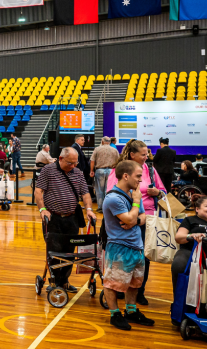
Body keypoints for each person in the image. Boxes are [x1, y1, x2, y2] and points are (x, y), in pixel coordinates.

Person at [107, 139, 166, 305]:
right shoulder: (118, 171)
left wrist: (157, 192)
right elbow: (112, 194)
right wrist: (131, 216)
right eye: (143, 154)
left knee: (143, 258)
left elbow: (163, 191)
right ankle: (120, 289)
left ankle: (140, 291)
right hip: (124, 220)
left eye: (147, 154)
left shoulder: (150, 169)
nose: (146, 157)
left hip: (146, 219)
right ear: (132, 155)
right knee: (124, 257)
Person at [101, 160, 155, 331]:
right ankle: (114, 314)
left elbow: (142, 217)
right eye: (138, 176)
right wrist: (136, 205)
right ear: (125, 176)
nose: (140, 180)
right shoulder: (113, 198)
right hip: (119, 248)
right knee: (112, 284)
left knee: (134, 283)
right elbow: (132, 218)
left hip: (136, 245)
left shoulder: (131, 195)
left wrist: (135, 220)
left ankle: (131, 311)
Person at [35, 147, 97, 293]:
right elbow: (38, 191)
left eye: (75, 163)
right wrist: (42, 209)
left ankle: (64, 281)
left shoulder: (78, 172)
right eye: (70, 163)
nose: (73, 166)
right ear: (61, 159)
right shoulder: (48, 170)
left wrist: (89, 209)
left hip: (72, 218)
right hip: (53, 218)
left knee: (70, 251)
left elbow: (85, 194)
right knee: (54, 251)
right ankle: (54, 281)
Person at [171, 194, 207, 296]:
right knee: (179, 263)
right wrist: (192, 235)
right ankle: (180, 300)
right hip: (194, 254)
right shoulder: (190, 220)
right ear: (197, 209)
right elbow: (179, 237)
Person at [89, 136, 119, 211]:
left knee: (99, 190)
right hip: (111, 171)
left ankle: (100, 207)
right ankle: (107, 207)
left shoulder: (97, 149)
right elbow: (118, 161)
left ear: (102, 141)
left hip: (100, 170)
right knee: (108, 189)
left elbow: (92, 161)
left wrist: (91, 170)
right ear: (109, 142)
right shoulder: (114, 150)